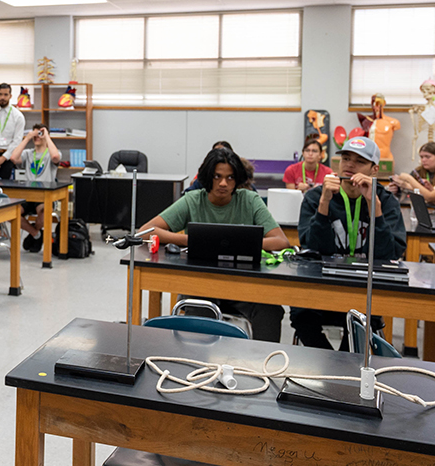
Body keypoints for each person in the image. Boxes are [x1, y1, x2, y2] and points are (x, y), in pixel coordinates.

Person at [140, 147, 290, 342]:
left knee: (270, 311)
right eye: (217, 176)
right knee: (199, 314)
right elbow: (145, 231)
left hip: (243, 283)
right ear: (207, 177)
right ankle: (198, 367)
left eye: (230, 178)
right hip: (200, 283)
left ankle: (265, 368)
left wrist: (246, 242)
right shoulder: (193, 200)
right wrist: (188, 240)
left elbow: (281, 241)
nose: (223, 183)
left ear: (237, 180)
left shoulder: (250, 200)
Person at [293, 136, 407, 350]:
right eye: (345, 158)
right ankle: (330, 362)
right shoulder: (316, 196)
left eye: (359, 161)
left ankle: (345, 368)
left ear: (374, 169)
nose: (350, 165)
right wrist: (324, 203)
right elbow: (312, 249)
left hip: (366, 291)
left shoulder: (386, 201)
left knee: (363, 325)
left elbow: (389, 253)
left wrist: (375, 207)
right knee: (300, 313)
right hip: (324, 287)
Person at [10, 123, 61, 252]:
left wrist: (47, 137)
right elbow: (13, 158)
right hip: (27, 195)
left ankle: (35, 233)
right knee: (10, 214)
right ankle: (36, 234)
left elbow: (55, 157)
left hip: (44, 196)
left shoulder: (51, 153)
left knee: (44, 214)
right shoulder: (28, 153)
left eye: (39, 134)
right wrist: (27, 138)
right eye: (35, 134)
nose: (36, 137)